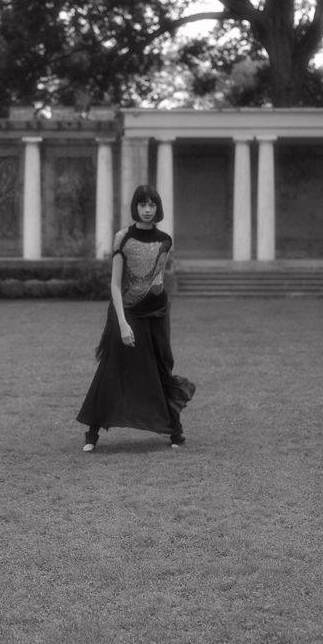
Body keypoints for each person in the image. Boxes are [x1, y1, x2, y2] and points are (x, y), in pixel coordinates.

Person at [76, 183, 195, 452]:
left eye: (152, 204)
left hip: (158, 314)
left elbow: (157, 279)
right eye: (142, 204)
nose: (147, 210)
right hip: (127, 312)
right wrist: (122, 324)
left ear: (158, 207)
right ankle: (92, 434)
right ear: (135, 207)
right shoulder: (123, 238)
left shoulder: (165, 240)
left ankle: (176, 433)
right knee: (112, 369)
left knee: (160, 368)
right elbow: (116, 285)